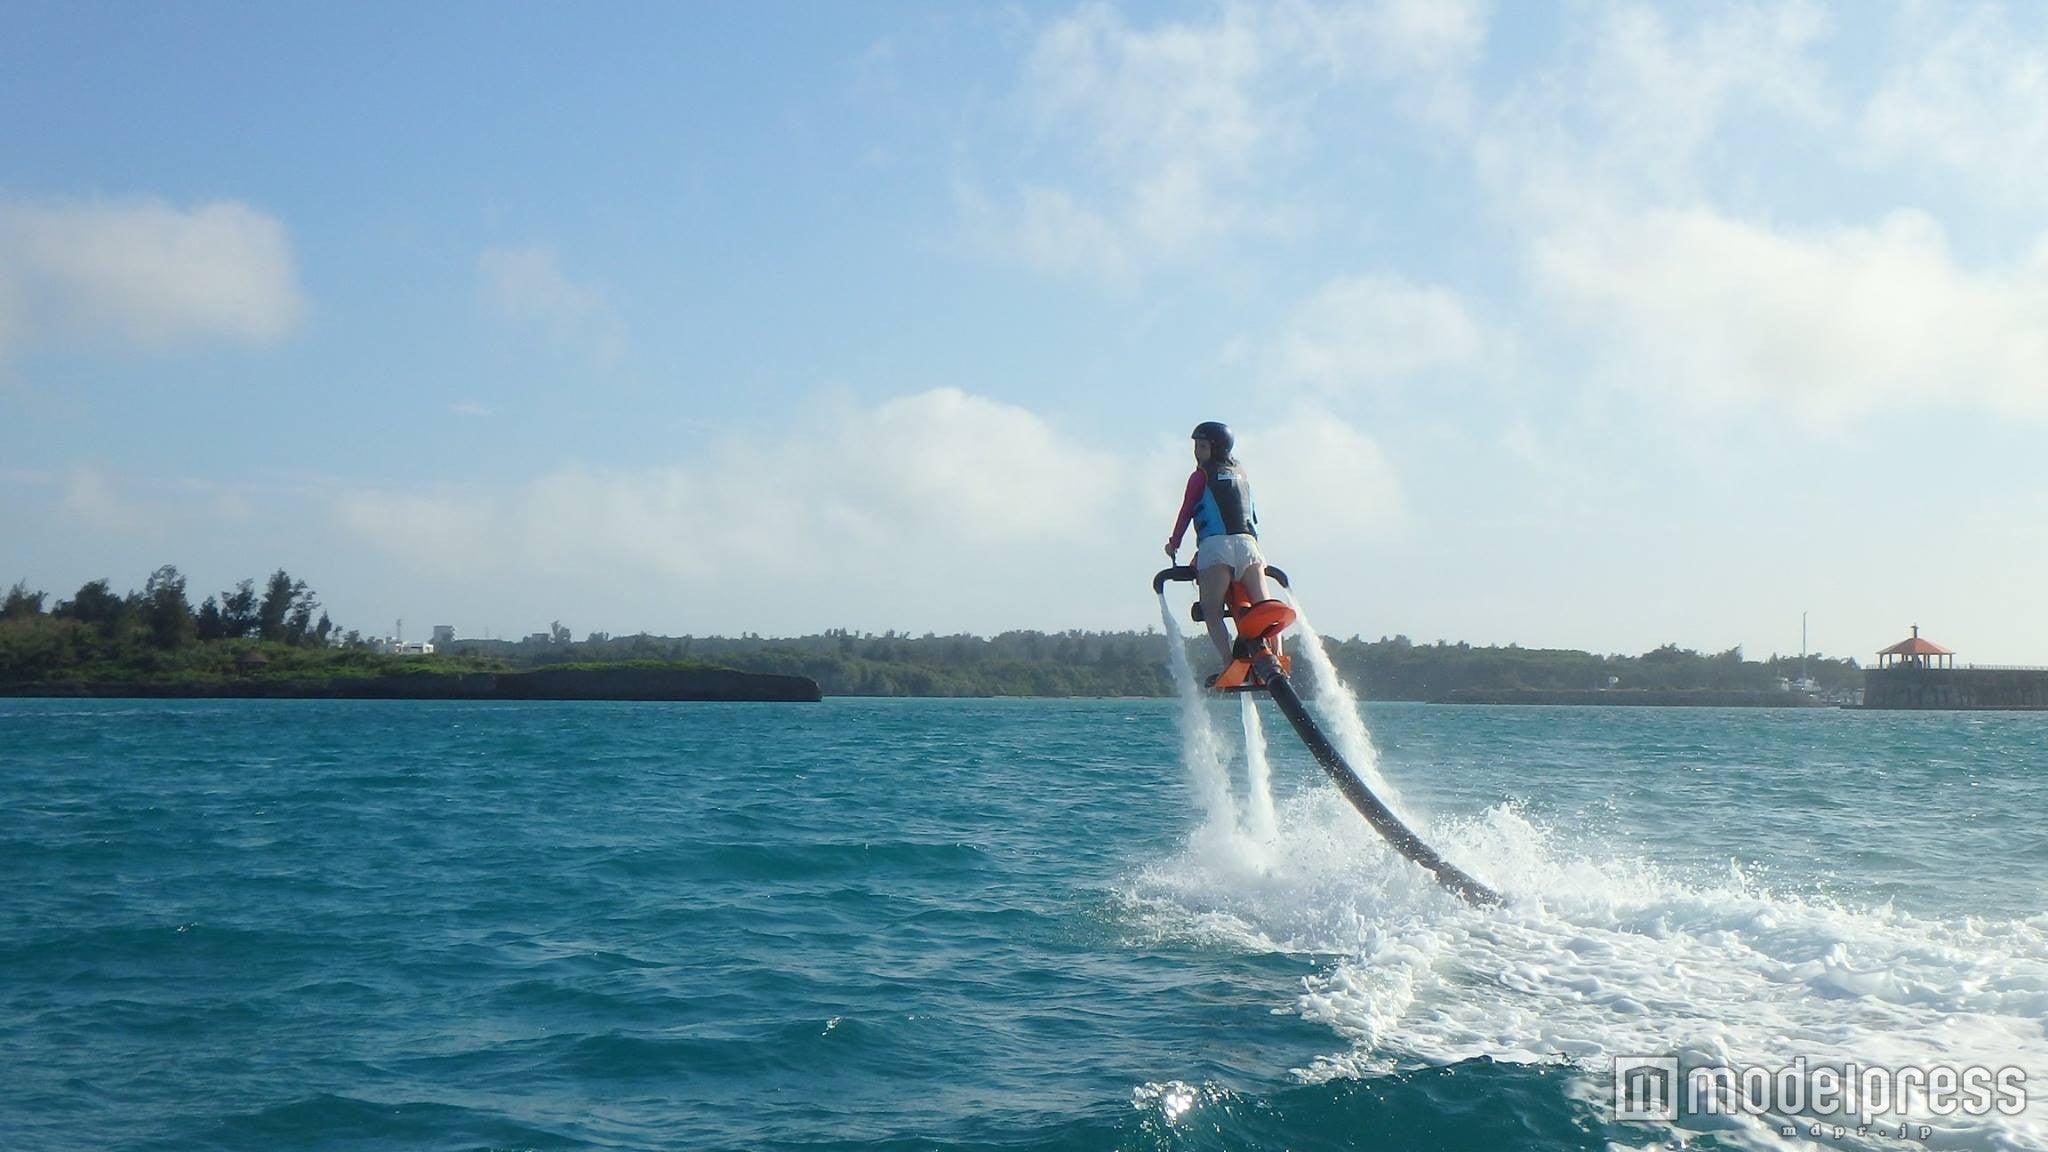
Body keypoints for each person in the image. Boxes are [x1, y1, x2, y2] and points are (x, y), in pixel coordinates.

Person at [1164, 421, 1278, 663]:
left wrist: (1174, 544)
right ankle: (1277, 657)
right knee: (1264, 606)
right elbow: (1253, 516)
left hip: (1216, 549)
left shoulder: (1199, 477)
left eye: (1202, 446)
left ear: (1215, 449)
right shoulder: (1243, 475)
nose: (1197, 451)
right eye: (1195, 446)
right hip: (1249, 547)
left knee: (1211, 610)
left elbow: (1186, 511)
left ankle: (1230, 661)